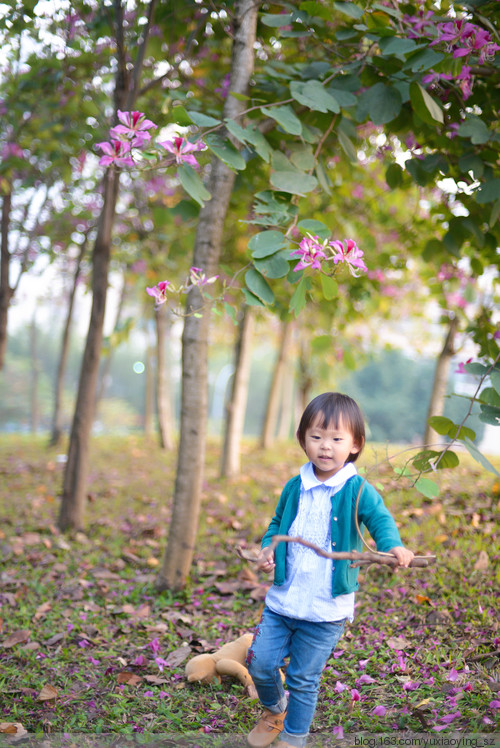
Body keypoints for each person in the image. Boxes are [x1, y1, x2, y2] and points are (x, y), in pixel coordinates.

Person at [246, 392, 414, 748]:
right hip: (283, 601)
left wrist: (392, 545)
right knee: (260, 663)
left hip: (324, 609)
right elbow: (277, 523)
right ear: (303, 439)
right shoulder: (295, 485)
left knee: (303, 677)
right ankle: (275, 709)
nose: (326, 447)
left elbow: (379, 519)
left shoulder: (357, 489)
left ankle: (294, 737)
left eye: (337, 439)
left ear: (355, 445)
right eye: (317, 436)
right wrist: (268, 548)